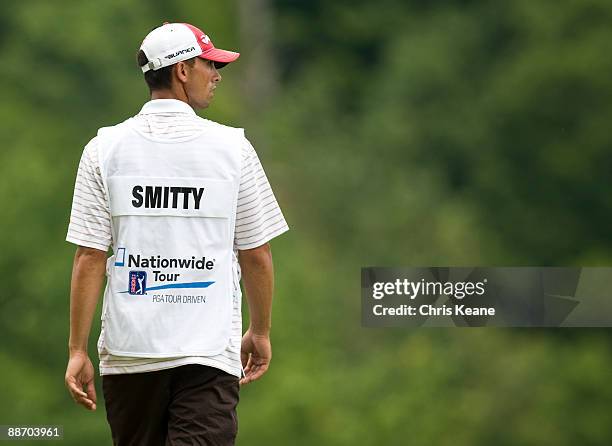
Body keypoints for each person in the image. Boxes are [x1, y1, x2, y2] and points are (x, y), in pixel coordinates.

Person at [64, 22, 289, 445]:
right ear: (182, 70)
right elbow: (256, 252)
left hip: (130, 357)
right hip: (206, 353)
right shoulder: (233, 149)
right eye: (210, 64)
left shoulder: (103, 148)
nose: (217, 74)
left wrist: (78, 350)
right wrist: (260, 332)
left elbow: (89, 257)